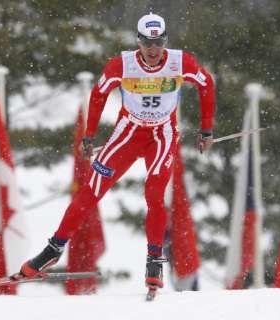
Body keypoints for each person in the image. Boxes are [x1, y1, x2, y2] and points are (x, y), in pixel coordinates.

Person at [17, 13, 216, 291]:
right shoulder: (122, 64)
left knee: (155, 194)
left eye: (158, 42)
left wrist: (206, 130)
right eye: (147, 42)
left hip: (162, 134)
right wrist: (89, 135)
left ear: (165, 42)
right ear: (138, 41)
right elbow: (98, 95)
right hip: (129, 133)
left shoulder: (179, 62)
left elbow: (206, 84)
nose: (152, 49)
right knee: (90, 191)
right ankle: (53, 249)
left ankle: (154, 260)